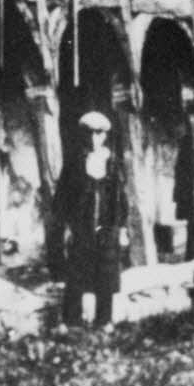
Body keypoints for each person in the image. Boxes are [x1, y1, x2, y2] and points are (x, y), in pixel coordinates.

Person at [53, 111, 128, 330]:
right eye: (89, 133)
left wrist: (121, 228)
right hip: (81, 225)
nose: (94, 137)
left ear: (105, 135)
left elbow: (120, 197)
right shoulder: (75, 162)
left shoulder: (113, 162)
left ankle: (104, 320)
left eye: (99, 133)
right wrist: (66, 226)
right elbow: (63, 196)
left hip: (107, 225)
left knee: (106, 271)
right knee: (76, 272)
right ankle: (71, 320)